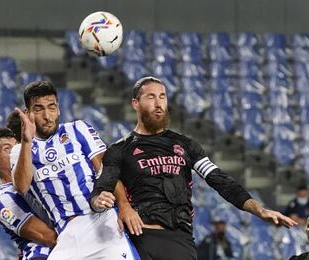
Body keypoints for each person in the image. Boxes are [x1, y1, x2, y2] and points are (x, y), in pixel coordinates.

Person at [90, 76, 298, 260]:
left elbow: (219, 180)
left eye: (162, 96)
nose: (158, 103)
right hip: (140, 238)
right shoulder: (120, 149)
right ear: (135, 103)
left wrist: (259, 210)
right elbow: (102, 187)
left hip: (180, 239)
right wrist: (100, 201)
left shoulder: (186, 145)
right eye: (151, 97)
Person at [11, 80, 139, 260]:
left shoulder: (77, 129)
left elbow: (107, 170)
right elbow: (21, 186)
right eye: (39, 109)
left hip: (101, 222)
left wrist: (124, 205)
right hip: (66, 235)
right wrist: (26, 141)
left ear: (59, 109)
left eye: (52, 107)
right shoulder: (20, 150)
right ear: (28, 113)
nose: (48, 116)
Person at [0, 127, 57, 259]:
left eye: (17, 146)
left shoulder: (39, 176)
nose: (16, 151)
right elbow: (49, 237)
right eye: (7, 149)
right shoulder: (3, 200)